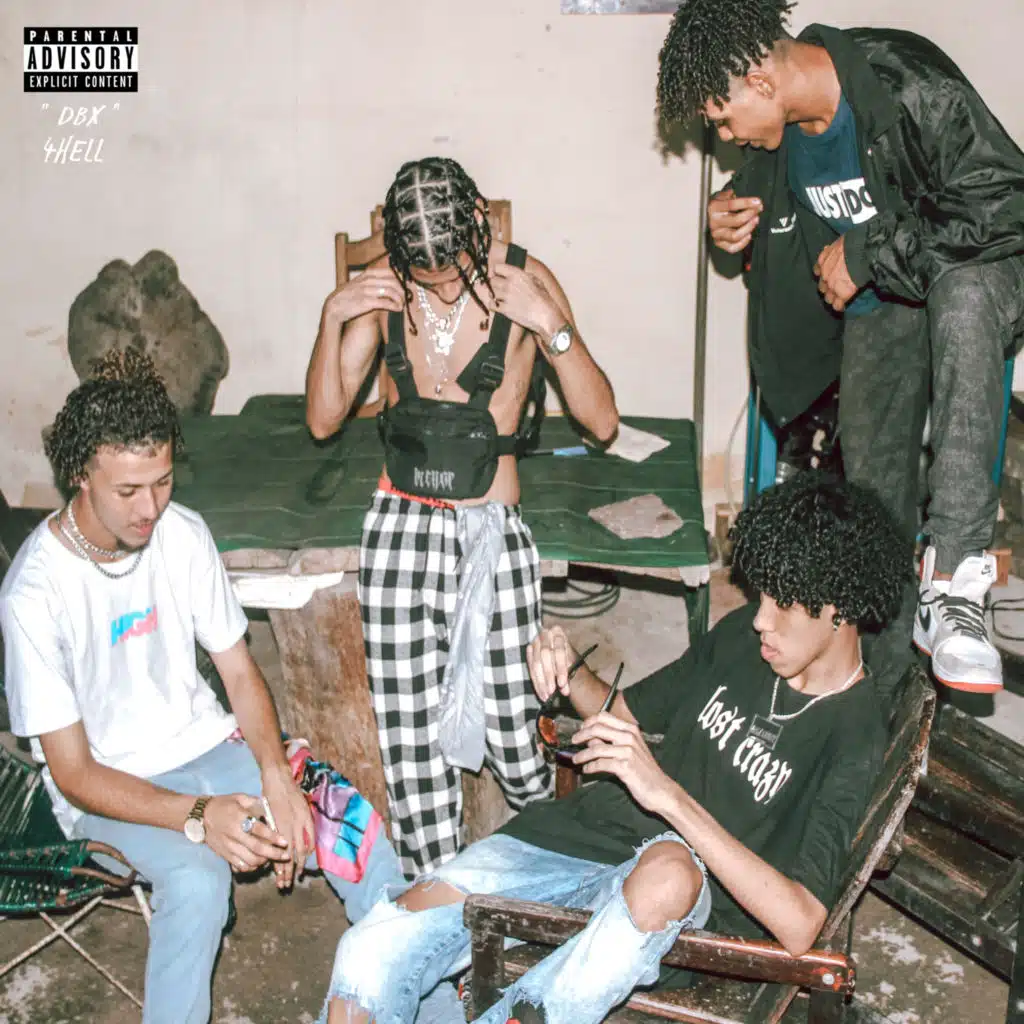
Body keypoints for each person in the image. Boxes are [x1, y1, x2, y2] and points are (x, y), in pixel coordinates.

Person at [317, 473, 910, 1024]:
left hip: (674, 899)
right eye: (762, 599)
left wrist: (666, 795)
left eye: (783, 605)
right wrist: (565, 665)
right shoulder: (741, 639)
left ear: (840, 609)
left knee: (671, 871)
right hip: (583, 836)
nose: (760, 620)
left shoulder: (853, 734)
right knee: (371, 951)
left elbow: (801, 924)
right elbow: (619, 710)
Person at [0, 351, 408, 1024]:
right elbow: (73, 773)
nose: (150, 508)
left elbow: (240, 672)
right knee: (196, 879)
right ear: (80, 475)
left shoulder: (182, 534)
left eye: (161, 482)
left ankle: (411, 1002)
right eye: (128, 491)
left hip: (208, 744)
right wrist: (199, 816)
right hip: (111, 784)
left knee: (348, 823)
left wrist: (275, 774)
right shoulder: (35, 594)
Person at [657, 0, 1024, 701]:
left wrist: (868, 251)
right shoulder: (786, 132)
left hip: (977, 273)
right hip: (886, 305)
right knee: (874, 504)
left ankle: (955, 579)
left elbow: (1004, 203)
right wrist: (724, 220)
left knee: (965, 298)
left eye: (725, 120)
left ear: (761, 83)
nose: (727, 136)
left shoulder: (907, 82)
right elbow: (763, 199)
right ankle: (880, 691)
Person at [306, 156, 619, 877]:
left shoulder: (525, 281)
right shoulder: (386, 286)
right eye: (427, 275)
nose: (442, 287)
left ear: (479, 221)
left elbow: (602, 421)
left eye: (453, 271)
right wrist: (332, 316)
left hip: (490, 531)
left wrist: (552, 326)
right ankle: (439, 894)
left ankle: (561, 864)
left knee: (515, 728)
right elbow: (323, 419)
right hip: (400, 524)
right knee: (410, 743)